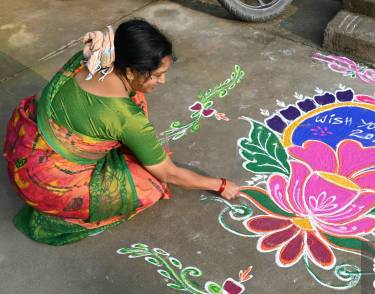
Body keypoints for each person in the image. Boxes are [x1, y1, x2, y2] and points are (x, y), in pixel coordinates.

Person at [3, 19, 240, 246]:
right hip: (44, 184)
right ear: (129, 71)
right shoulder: (127, 118)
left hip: (22, 142)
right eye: (156, 75)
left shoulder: (91, 57)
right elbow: (170, 174)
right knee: (150, 184)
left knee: (137, 98)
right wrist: (219, 184)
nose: (163, 81)